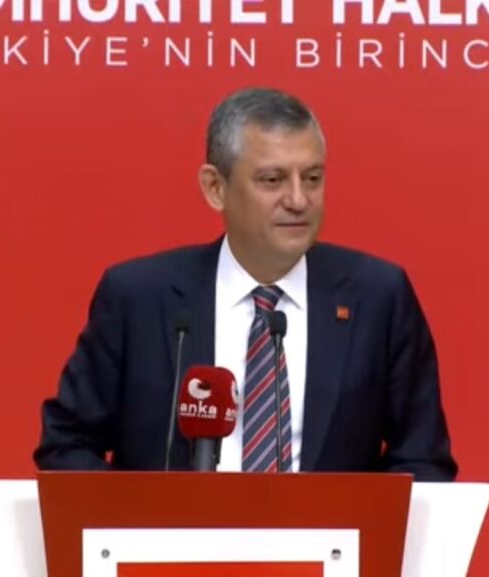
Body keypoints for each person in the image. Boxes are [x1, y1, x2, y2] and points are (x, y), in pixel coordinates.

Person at [33, 87, 458, 481]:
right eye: (273, 180)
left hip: (327, 539)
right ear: (215, 188)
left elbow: (423, 460)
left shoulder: (377, 297)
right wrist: (145, 520)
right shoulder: (138, 297)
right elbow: (66, 446)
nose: (298, 200)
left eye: (312, 178)